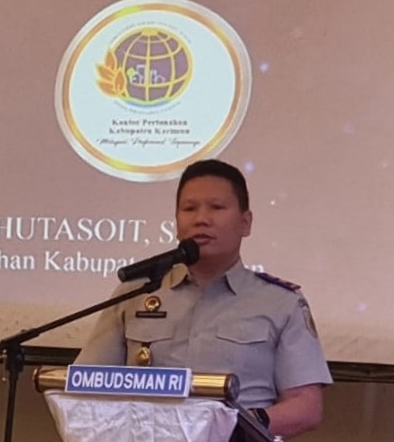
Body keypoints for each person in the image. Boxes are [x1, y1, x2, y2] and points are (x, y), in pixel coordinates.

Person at [75, 159, 331, 439]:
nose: (201, 219)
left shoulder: (280, 303)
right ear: (176, 223)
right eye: (189, 209)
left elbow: (306, 407)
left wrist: (237, 426)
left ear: (245, 223)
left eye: (216, 207)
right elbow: (85, 384)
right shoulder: (136, 294)